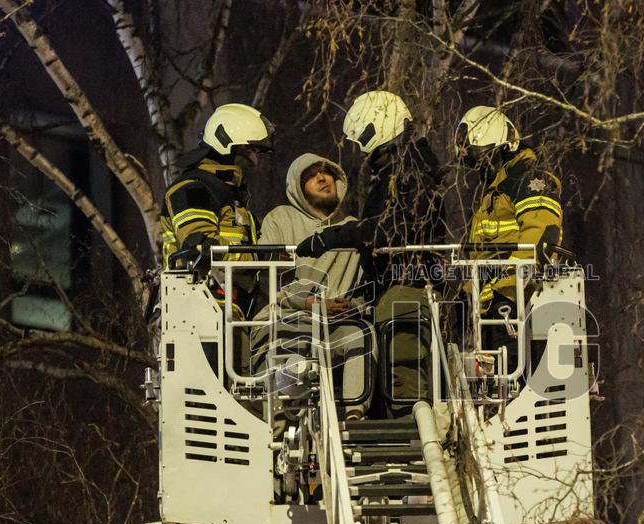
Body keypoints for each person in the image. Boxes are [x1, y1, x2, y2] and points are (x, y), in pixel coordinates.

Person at [294, 91, 445, 417]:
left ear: (377, 130)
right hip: (396, 287)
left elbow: (388, 229)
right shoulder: (406, 170)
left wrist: (331, 237)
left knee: (404, 381)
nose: (362, 151)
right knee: (393, 376)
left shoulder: (408, 175)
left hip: (406, 286)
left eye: (362, 138)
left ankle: (414, 441)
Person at [254, 153, 374, 420]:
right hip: (289, 319)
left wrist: (352, 307)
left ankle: (354, 416)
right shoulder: (280, 219)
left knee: (361, 334)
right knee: (288, 364)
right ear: (297, 187)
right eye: (310, 176)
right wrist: (307, 302)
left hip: (337, 323)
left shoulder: (353, 228)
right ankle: (285, 417)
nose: (322, 178)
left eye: (326, 173)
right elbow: (267, 274)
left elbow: (367, 284)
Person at [453, 105, 563, 371]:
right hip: (492, 307)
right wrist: (468, 295)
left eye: (482, 158)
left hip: (515, 307)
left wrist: (502, 293)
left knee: (511, 381)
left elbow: (539, 241)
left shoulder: (529, 179)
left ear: (498, 146)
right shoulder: (495, 189)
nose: (480, 167)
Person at [162, 103, 274, 276]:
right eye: (250, 150)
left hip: (230, 299)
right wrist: (257, 258)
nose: (255, 160)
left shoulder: (229, 193)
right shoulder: (194, 188)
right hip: (202, 299)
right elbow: (199, 250)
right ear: (226, 144)